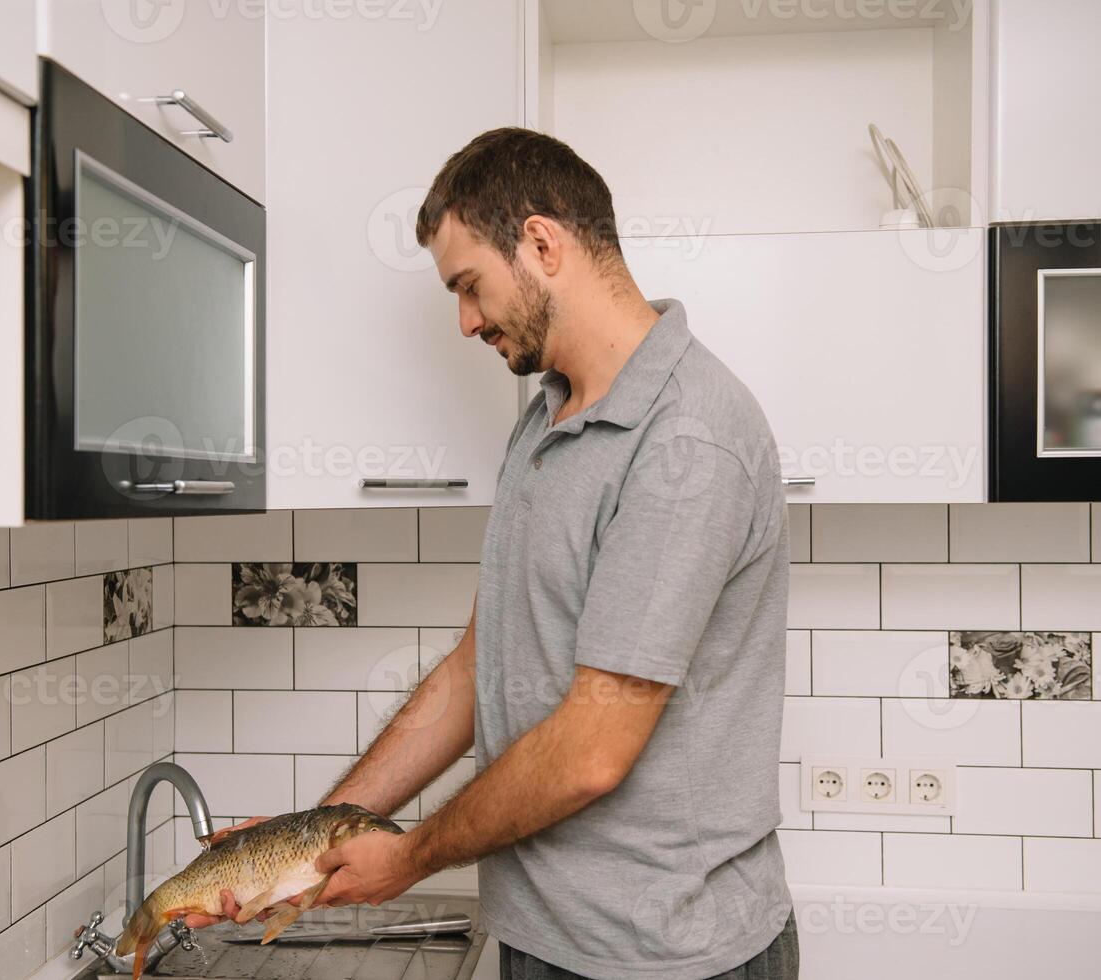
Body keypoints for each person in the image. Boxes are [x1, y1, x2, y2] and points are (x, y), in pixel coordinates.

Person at [187, 127, 798, 980]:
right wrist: (309, 840)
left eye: (470, 286)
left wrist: (407, 859)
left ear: (543, 243)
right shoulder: (547, 414)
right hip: (544, 938)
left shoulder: (687, 440)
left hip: (666, 958)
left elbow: (591, 752)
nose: (466, 320)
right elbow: (477, 671)